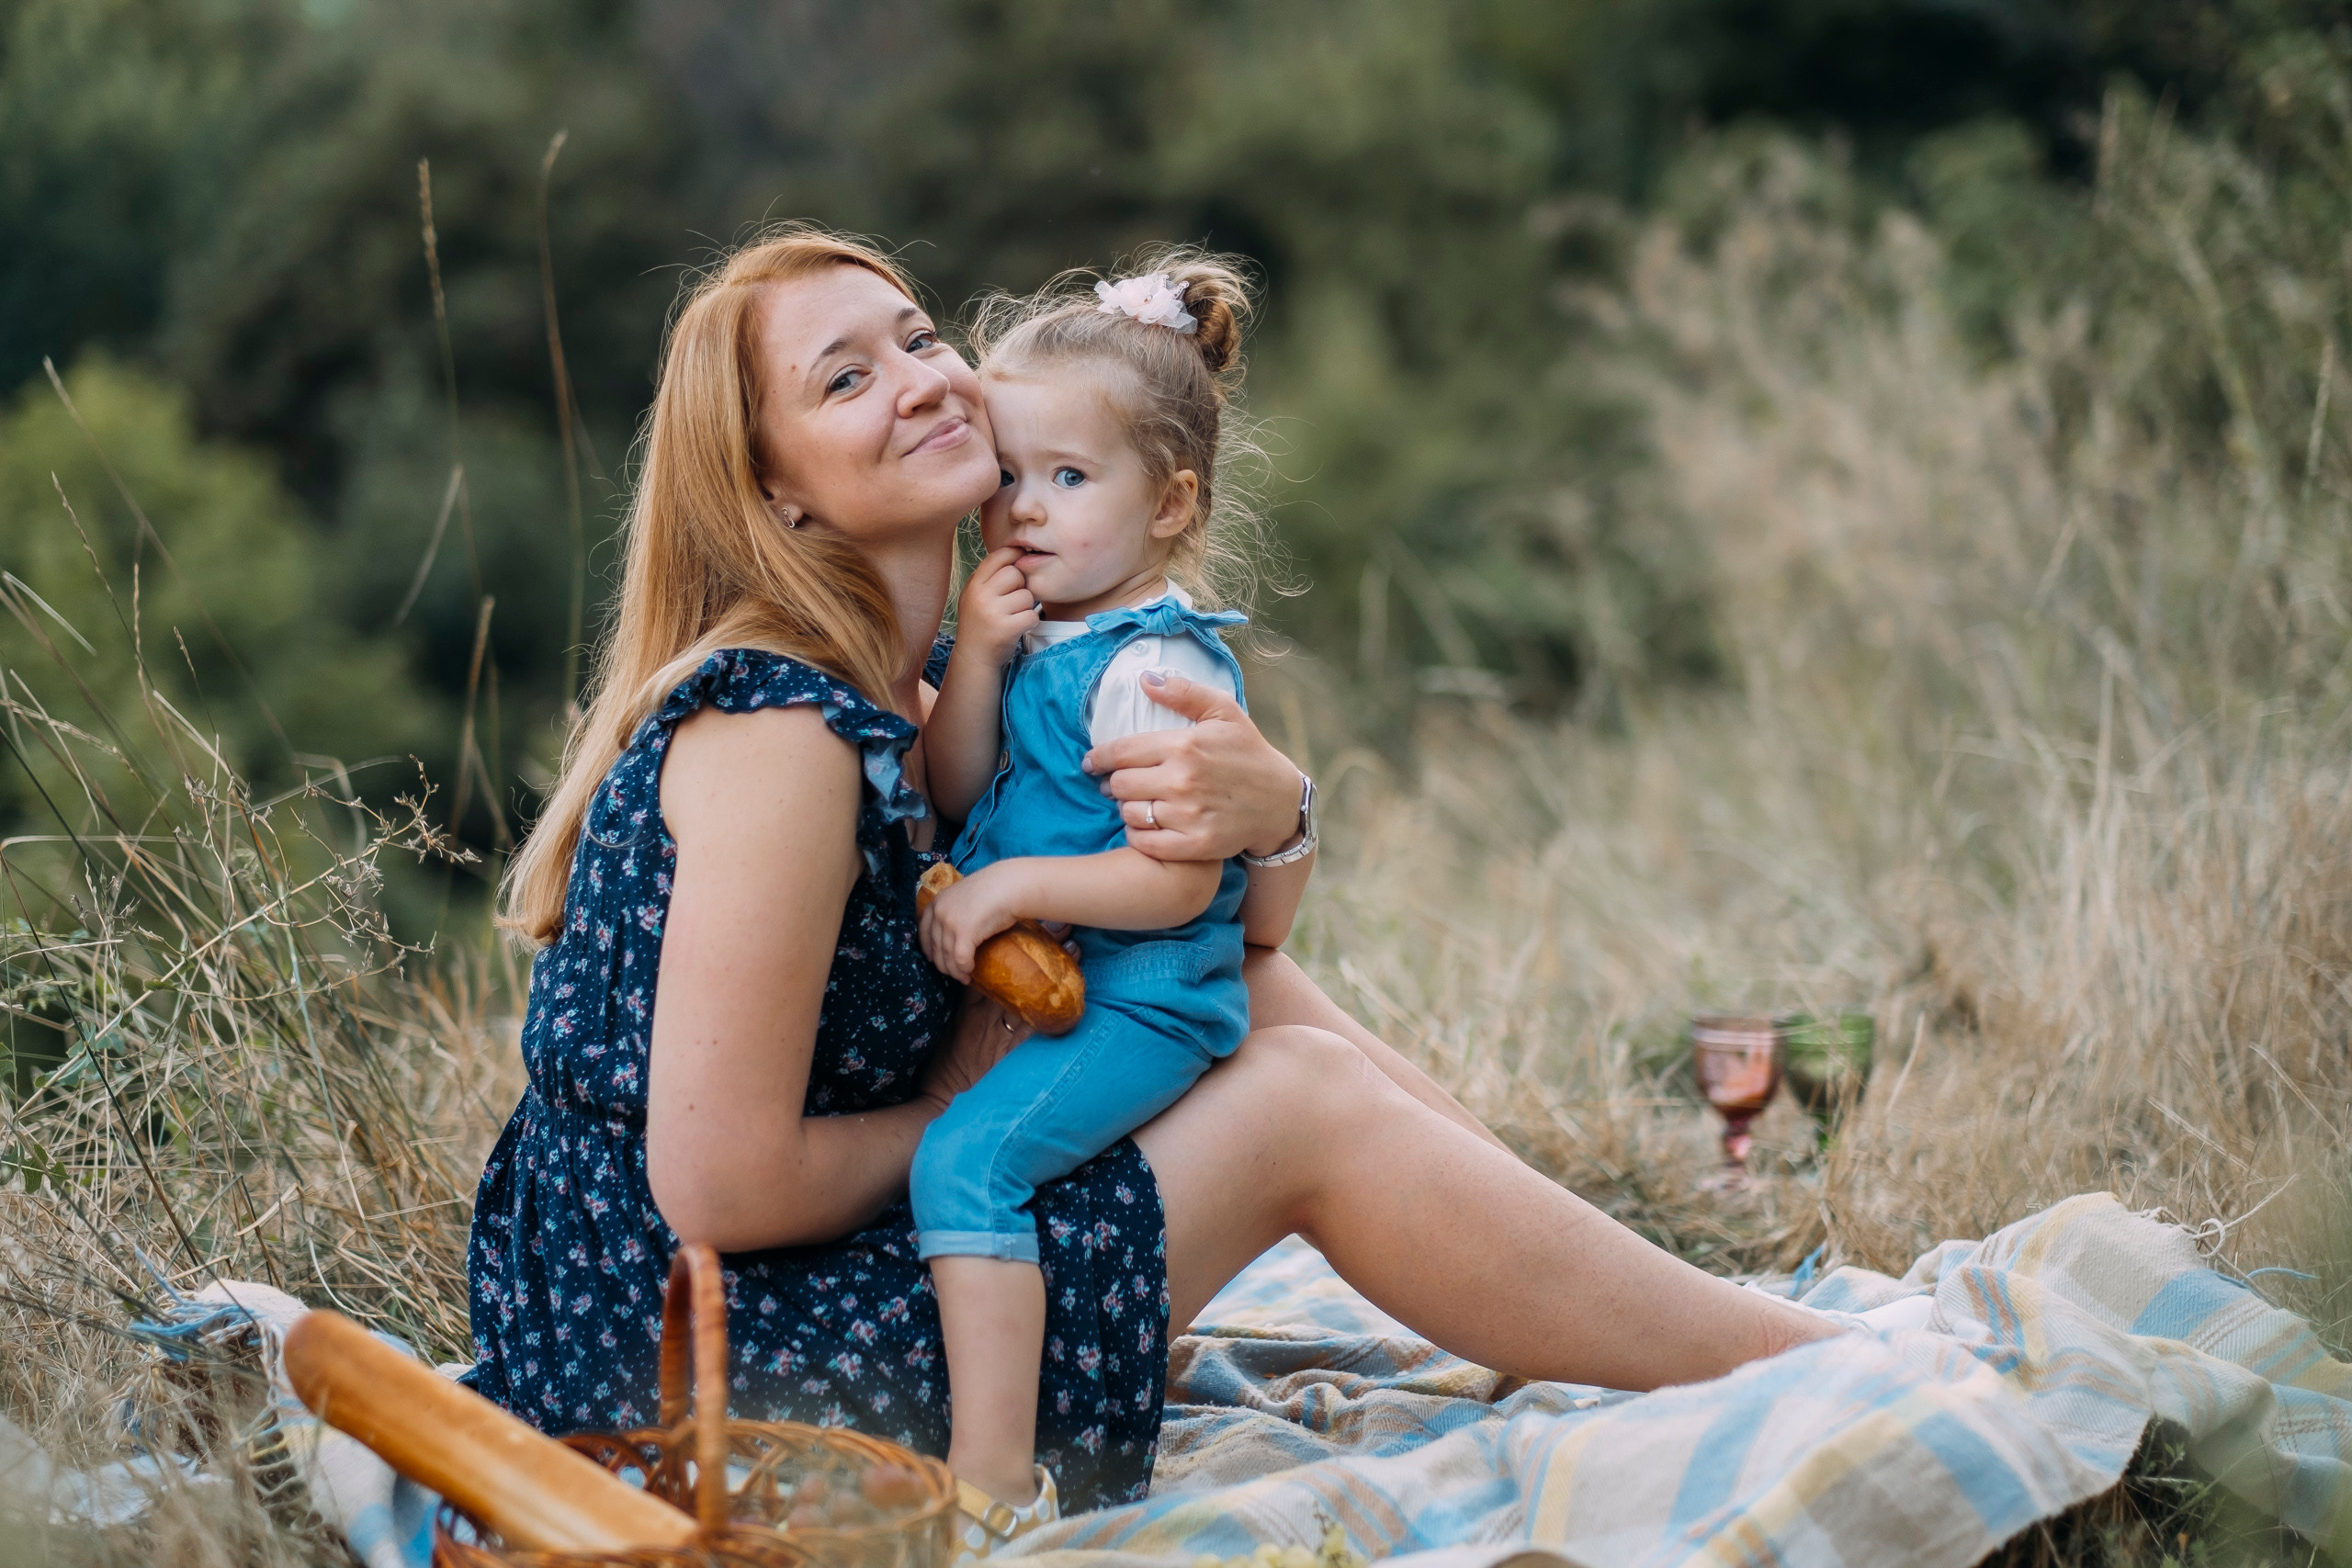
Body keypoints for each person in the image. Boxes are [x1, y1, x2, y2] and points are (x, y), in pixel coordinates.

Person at [465, 224, 1838, 1550]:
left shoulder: (937, 695)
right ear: (776, 489)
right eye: (845, 377)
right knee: (1299, 1106)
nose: (923, 378)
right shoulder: (780, 736)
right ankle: (1802, 1363)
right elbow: (718, 1189)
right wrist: (958, 1104)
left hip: (784, 1297)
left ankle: (1646, 1291)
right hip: (708, 1374)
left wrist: (1277, 817)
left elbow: (1240, 945)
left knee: (1238, 988)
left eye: (919, 335)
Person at [913, 253, 1304, 1544]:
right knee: (983, 1153)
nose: (1026, 510)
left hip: (1148, 994)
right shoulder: (1043, 632)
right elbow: (962, 784)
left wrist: (1016, 882)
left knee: (967, 1162)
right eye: (1010, 477)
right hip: (1081, 983)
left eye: (1069, 479)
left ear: (1172, 504)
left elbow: (1177, 876)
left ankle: (991, 1489)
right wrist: (975, 654)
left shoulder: (1153, 669)